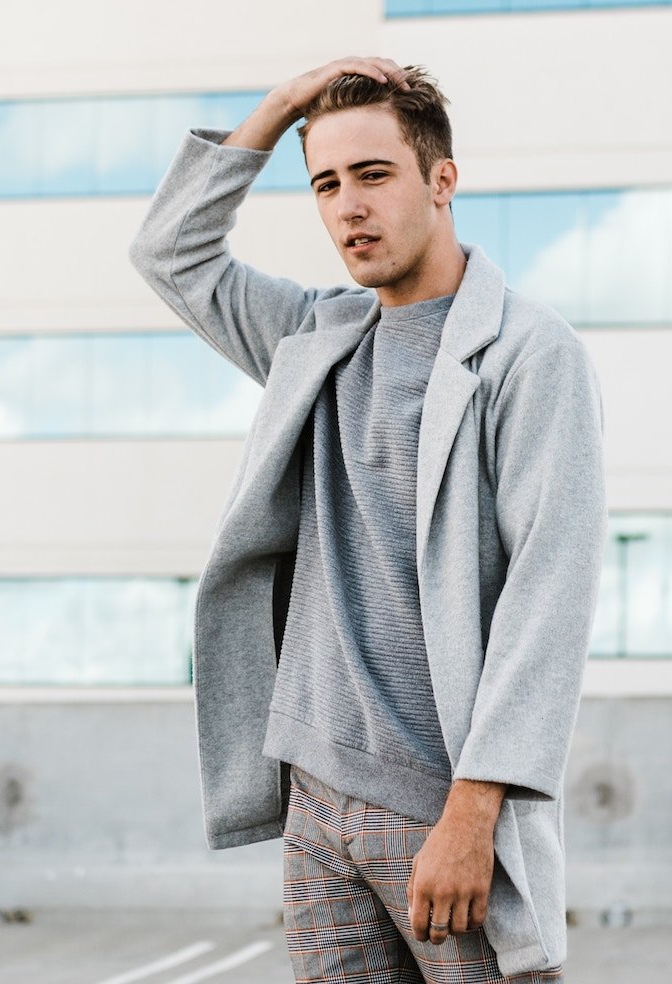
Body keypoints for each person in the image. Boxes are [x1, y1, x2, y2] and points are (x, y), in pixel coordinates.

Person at [127, 55, 605, 983]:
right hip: (317, 804)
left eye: (373, 175)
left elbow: (550, 593)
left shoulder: (530, 355)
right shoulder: (317, 335)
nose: (348, 207)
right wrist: (281, 107)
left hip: (443, 807)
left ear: (441, 179)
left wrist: (474, 813)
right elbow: (169, 254)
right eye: (326, 184)